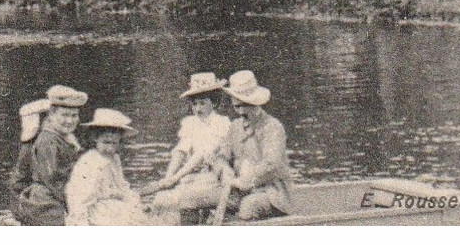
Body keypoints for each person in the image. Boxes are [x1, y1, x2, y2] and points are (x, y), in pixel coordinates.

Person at [144, 72, 233, 220]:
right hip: (192, 174)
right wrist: (168, 178)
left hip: (214, 176)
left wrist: (175, 178)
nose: (198, 108)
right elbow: (181, 151)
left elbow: (204, 154)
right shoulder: (190, 122)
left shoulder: (222, 123)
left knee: (181, 199)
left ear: (214, 102)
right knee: (162, 199)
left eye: (203, 103)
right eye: (194, 103)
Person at [210, 69, 291, 221]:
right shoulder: (234, 127)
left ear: (256, 103)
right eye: (236, 106)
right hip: (237, 191)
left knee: (248, 207)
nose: (240, 111)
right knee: (194, 199)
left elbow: (271, 165)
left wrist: (244, 181)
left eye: (244, 106)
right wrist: (224, 170)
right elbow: (221, 157)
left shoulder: (272, 127)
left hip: (271, 193)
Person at [8, 83, 88, 225]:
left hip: (53, 197)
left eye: (74, 115)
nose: (70, 120)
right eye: (64, 115)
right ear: (52, 114)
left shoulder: (64, 137)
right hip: (44, 204)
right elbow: (52, 182)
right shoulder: (48, 141)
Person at [64, 109, 146, 226]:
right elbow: (81, 196)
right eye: (106, 142)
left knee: (135, 215)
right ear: (95, 138)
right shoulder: (91, 161)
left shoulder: (114, 158)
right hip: (95, 208)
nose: (110, 148)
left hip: (112, 204)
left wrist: (128, 199)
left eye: (114, 143)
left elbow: (120, 184)